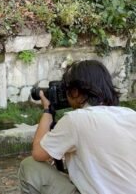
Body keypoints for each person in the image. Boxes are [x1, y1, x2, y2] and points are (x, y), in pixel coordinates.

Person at [18, 60, 136, 194]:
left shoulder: (76, 120)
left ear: (75, 92)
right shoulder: (131, 115)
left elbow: (38, 154)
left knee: (29, 166)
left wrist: (47, 111)